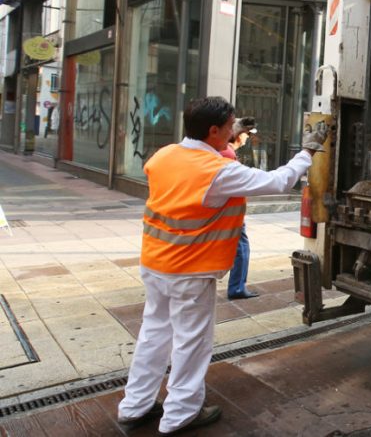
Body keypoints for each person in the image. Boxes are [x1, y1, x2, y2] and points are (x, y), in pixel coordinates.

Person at [116, 97, 325, 435]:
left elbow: (198, 168)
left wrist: (228, 141)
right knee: (191, 342)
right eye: (228, 128)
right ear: (213, 131)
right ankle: (180, 414)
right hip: (190, 270)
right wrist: (308, 152)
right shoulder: (217, 172)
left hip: (155, 263)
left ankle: (135, 405)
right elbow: (278, 182)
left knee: (153, 334)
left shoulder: (164, 156)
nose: (234, 132)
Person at [222, 117, 257, 300]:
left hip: (229, 212)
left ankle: (237, 286)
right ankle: (236, 288)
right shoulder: (228, 154)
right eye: (247, 134)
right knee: (241, 249)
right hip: (231, 214)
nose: (248, 138)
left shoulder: (225, 151)